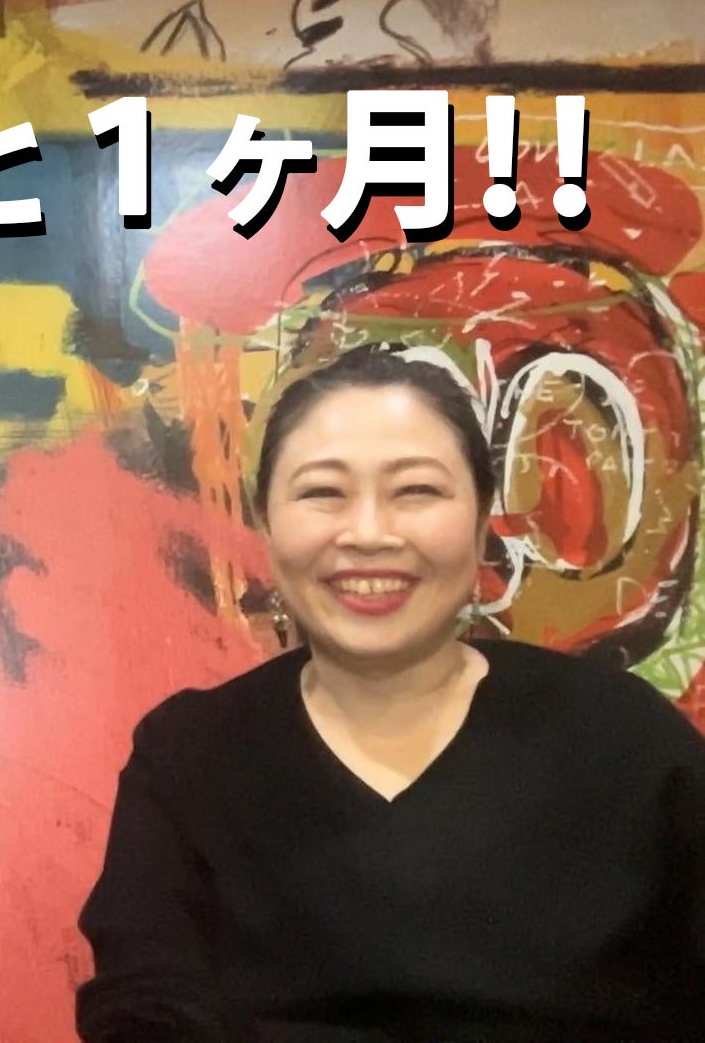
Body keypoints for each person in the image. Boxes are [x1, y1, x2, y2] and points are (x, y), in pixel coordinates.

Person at [76, 345, 705, 1041]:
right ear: (266, 522)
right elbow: (143, 1007)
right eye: (323, 492)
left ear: (481, 519)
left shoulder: (624, 741)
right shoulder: (189, 755)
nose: (370, 534)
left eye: (416, 491)